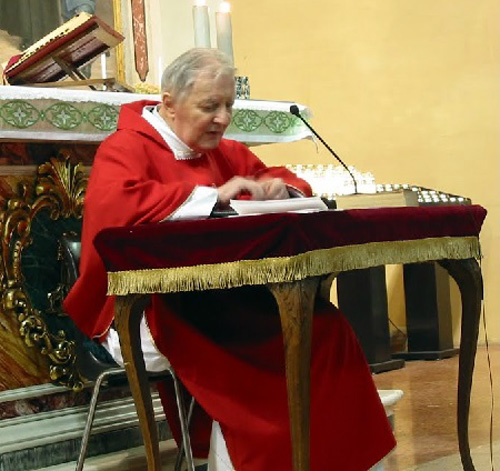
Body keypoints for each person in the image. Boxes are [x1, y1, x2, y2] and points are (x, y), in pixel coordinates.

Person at [64, 48, 396, 471]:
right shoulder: (126, 148)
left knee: (325, 329)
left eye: (228, 106)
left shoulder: (222, 150)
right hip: (151, 306)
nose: (223, 118)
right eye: (210, 107)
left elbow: (278, 177)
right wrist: (213, 196)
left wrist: (279, 189)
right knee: (245, 354)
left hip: (223, 299)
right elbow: (119, 207)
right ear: (169, 103)